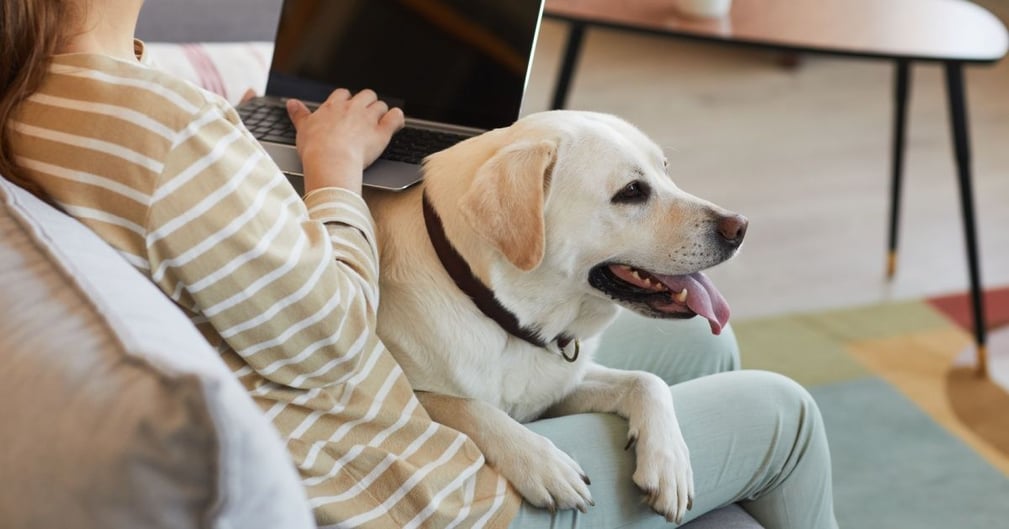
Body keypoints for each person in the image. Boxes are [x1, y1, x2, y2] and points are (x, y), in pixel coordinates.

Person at [0, 1, 839, 528]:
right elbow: (332, 335)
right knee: (786, 412)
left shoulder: (38, 87)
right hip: (417, 488)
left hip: (378, 439)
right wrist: (333, 169)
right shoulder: (167, 133)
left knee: (696, 351)